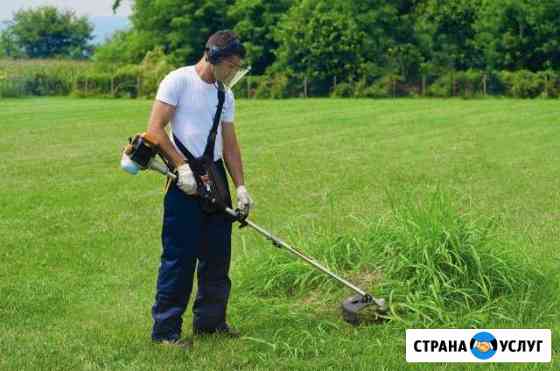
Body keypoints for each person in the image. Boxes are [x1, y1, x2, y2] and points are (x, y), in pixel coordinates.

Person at [145, 30, 253, 347]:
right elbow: (155, 129)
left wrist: (242, 187)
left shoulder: (224, 95)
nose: (233, 72)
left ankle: (210, 322)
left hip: (214, 175)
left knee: (218, 255)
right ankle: (165, 332)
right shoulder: (178, 81)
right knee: (180, 257)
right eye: (231, 66)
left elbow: (230, 145)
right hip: (183, 178)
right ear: (214, 57)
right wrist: (180, 166)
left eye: (237, 67)